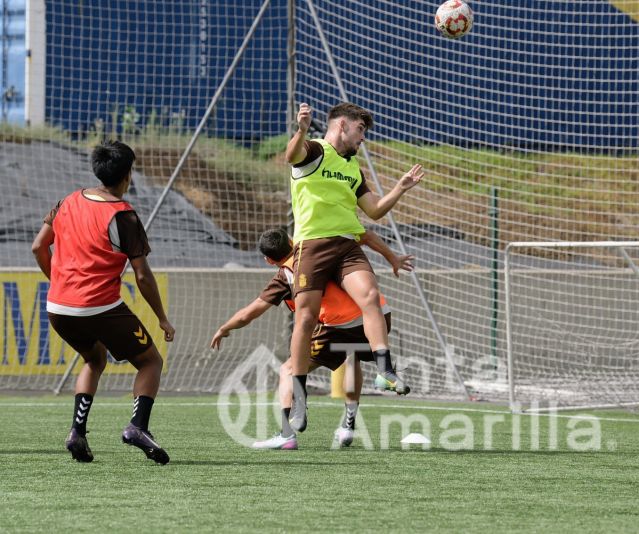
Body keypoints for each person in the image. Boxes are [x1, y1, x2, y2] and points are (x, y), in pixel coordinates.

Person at [31, 141, 175, 464]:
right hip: (99, 307)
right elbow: (143, 276)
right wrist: (163, 318)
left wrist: (58, 283)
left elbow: (39, 246)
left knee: (94, 359)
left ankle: (77, 432)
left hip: (57, 307)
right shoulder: (123, 215)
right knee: (150, 361)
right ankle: (138, 427)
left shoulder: (67, 201)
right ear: (127, 176)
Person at [284, 102, 423, 432]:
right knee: (304, 318)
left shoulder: (352, 169)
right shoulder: (314, 150)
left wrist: (400, 188)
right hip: (313, 245)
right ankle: (299, 399)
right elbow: (291, 156)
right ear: (342, 125)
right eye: (361, 130)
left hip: (347, 245)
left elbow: (374, 211)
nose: (363, 137)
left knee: (370, 295)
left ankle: (385, 369)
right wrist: (302, 128)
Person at [210, 228, 412, 449]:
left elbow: (250, 312)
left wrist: (224, 328)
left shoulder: (287, 273)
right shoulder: (321, 244)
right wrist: (393, 257)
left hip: (339, 325)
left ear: (268, 260)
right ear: (291, 240)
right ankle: (348, 425)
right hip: (378, 314)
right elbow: (366, 234)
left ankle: (287, 434)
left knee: (288, 369)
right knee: (352, 357)